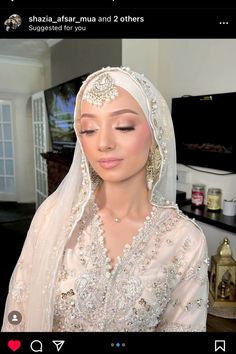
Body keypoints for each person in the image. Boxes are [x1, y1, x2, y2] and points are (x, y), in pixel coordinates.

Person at [1, 66, 209, 332]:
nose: (104, 143)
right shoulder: (53, 215)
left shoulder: (185, 240)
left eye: (123, 126)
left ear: (156, 134)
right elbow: (19, 315)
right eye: (88, 129)